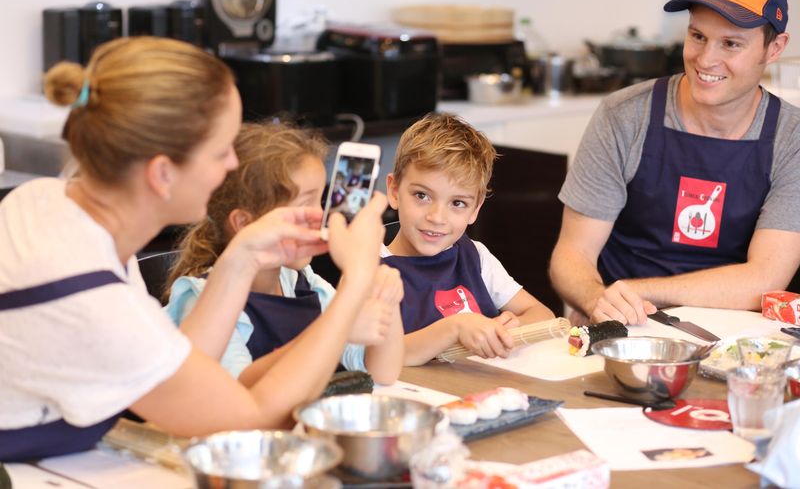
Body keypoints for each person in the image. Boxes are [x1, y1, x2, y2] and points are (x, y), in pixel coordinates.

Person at [0, 36, 390, 462]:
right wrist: (354, 286)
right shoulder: (88, 299)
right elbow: (247, 419)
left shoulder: (44, 200)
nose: (231, 166)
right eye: (220, 151)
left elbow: (185, 364)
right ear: (163, 173)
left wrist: (243, 256)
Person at [549, 0, 800, 326]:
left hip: (732, 335)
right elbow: (572, 255)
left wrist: (637, 292)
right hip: (626, 328)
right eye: (697, 36)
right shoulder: (624, 116)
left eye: (731, 44)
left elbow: (764, 279)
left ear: (774, 48)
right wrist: (597, 300)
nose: (706, 59)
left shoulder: (791, 139)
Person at [163, 122, 404, 384]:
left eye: (320, 200)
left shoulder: (302, 282)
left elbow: (382, 374)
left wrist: (383, 297)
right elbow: (236, 393)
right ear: (245, 224)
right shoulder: (201, 301)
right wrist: (339, 325)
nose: (320, 216)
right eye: (304, 204)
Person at [381, 113, 555, 365]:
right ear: (394, 191)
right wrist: (455, 328)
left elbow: (543, 315)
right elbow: (382, 356)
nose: (437, 217)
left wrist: (510, 326)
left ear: (475, 209)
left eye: (458, 203)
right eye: (422, 195)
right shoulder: (370, 271)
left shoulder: (475, 256)